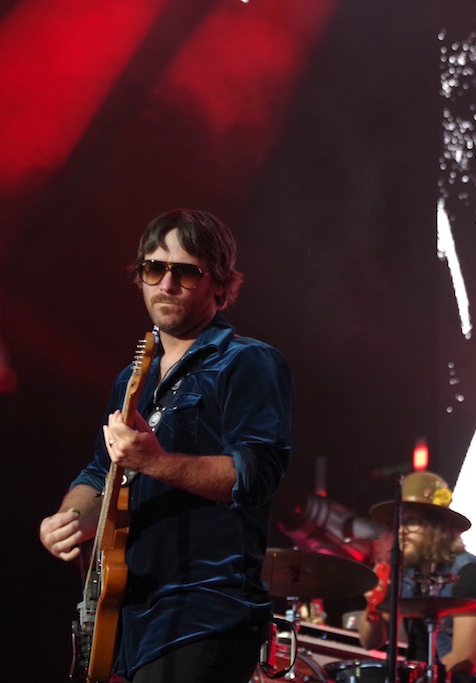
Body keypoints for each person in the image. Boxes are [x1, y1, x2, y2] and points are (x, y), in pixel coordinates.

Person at [38, 208, 293, 683]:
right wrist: (70, 519)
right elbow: (101, 473)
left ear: (219, 284)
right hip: (127, 624)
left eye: (186, 272)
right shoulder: (131, 380)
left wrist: (155, 461)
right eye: (154, 269)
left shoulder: (247, 361)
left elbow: (255, 474)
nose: (167, 284)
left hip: (204, 615)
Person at [358, 472, 476, 683]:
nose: (400, 531)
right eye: (395, 524)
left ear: (437, 527)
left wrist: (420, 678)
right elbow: (370, 642)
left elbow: (465, 660)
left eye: (410, 522)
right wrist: (374, 604)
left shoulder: (471, 572)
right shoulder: (403, 574)